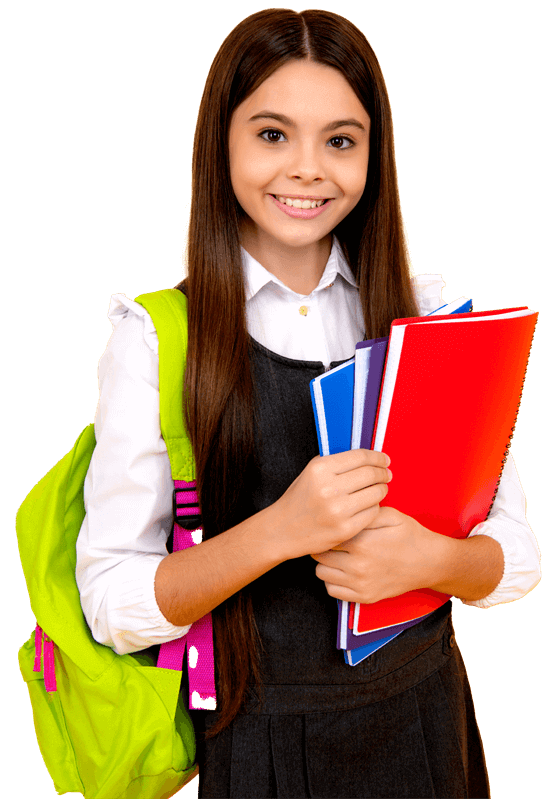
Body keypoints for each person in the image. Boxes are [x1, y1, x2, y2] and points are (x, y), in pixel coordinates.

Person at [76, 9, 541, 798]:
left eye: (340, 140)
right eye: (271, 134)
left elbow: (517, 554)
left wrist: (432, 560)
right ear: (220, 143)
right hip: (259, 745)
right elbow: (111, 602)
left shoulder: (423, 321)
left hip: (427, 728)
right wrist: (281, 530)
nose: (307, 169)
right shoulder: (159, 341)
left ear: (373, 156)